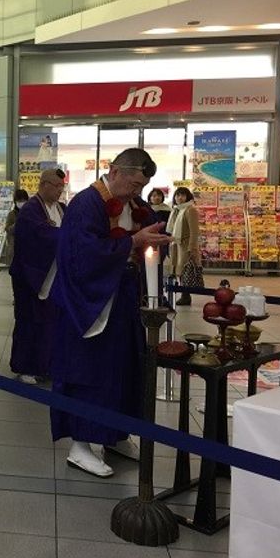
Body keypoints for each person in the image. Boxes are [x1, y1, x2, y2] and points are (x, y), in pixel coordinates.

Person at [49, 148, 171, 477]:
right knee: (90, 373)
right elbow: (81, 255)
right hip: (89, 305)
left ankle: (116, 434)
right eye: (132, 184)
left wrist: (154, 240)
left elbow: (144, 240)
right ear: (114, 172)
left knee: (124, 369)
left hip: (122, 301)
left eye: (141, 186)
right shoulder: (86, 204)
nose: (136, 192)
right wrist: (131, 243)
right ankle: (81, 445)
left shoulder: (136, 206)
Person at [9, 170, 65, 385]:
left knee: (51, 322)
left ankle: (47, 365)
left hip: (54, 276)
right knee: (29, 320)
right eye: (57, 186)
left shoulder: (61, 209)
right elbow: (39, 237)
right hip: (31, 275)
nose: (60, 191)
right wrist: (65, 236)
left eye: (62, 187)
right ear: (44, 185)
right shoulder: (31, 210)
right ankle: (25, 366)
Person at [167, 186, 202, 306]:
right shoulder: (177, 210)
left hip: (186, 244)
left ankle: (186, 295)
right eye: (177, 195)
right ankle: (184, 293)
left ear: (188, 197)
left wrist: (192, 248)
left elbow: (194, 231)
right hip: (177, 243)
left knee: (185, 270)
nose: (179, 198)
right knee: (179, 270)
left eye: (182, 195)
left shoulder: (190, 210)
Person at [3, 188, 29, 267]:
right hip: (14, 249)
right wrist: (16, 224)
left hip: (28, 249)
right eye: (19, 201)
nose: (22, 203)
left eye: (24, 200)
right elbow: (7, 229)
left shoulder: (31, 213)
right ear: (15, 201)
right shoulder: (11, 214)